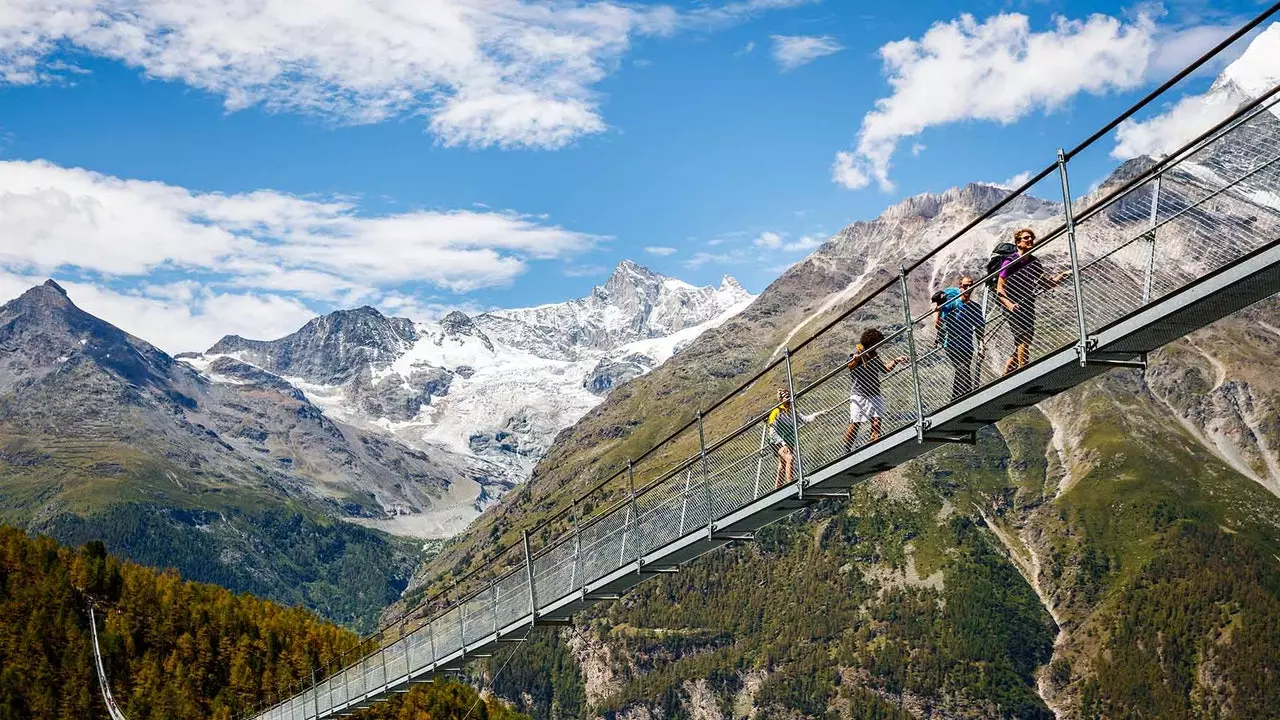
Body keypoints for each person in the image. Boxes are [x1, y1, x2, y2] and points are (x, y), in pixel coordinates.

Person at [995, 229, 1070, 375]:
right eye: (1026, 238)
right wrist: (1009, 304)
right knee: (1023, 337)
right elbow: (999, 288)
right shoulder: (1010, 262)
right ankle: (1025, 372)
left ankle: (1006, 375)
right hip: (1012, 304)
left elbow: (1047, 284)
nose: (1030, 240)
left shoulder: (1034, 262)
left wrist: (1063, 275)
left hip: (1027, 303)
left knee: (1025, 341)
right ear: (1018, 243)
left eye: (1031, 238)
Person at [844, 329, 909, 453]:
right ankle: (846, 450)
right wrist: (857, 359)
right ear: (871, 342)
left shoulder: (874, 356)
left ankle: (874, 447)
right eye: (878, 343)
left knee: (877, 420)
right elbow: (851, 366)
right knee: (855, 422)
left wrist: (896, 360)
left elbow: (885, 369)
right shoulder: (855, 353)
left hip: (874, 393)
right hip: (859, 394)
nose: (879, 345)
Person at [932, 275, 984, 400]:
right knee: (963, 369)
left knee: (961, 370)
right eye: (965, 286)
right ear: (960, 287)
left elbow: (979, 329)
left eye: (971, 285)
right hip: (951, 345)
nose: (968, 288)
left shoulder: (975, 308)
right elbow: (938, 325)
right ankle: (967, 399)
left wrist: (982, 346)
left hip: (967, 346)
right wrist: (938, 310)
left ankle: (955, 400)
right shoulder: (952, 303)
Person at [767, 387, 813, 489]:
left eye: (789, 396)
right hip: (777, 441)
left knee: (782, 465)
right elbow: (772, 431)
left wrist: (818, 414)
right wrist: (782, 443)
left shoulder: (792, 411)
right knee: (789, 459)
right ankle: (790, 484)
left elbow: (805, 419)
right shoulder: (776, 412)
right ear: (781, 399)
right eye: (786, 396)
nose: (788, 398)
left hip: (789, 440)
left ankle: (777, 489)